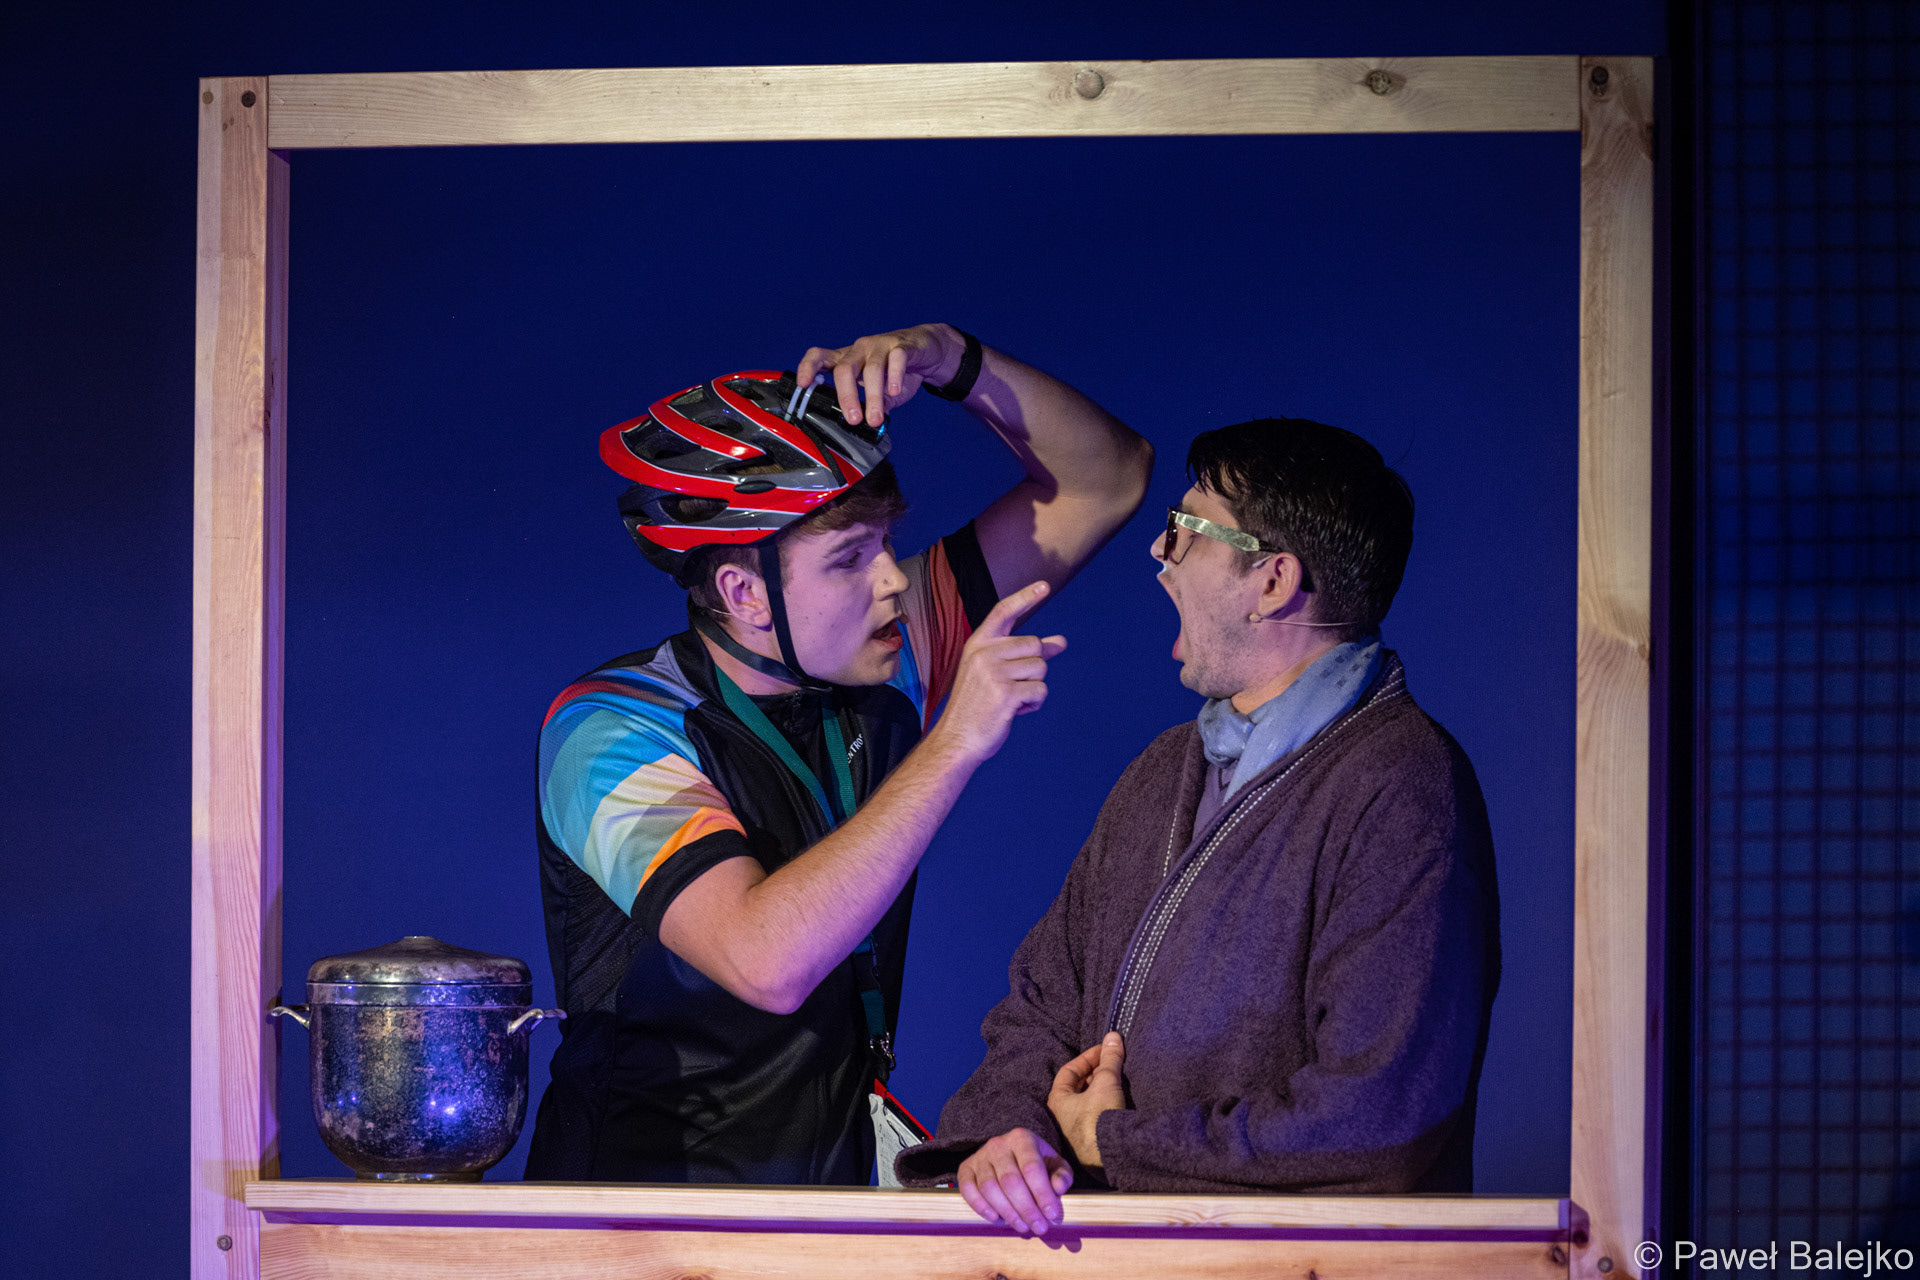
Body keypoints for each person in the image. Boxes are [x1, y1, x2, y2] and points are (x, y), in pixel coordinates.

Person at [525, 323, 1152, 1185]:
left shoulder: (877, 660)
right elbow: (765, 962)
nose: (892, 579)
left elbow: (1108, 477)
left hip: (827, 1202)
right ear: (744, 593)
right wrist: (954, 744)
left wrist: (953, 361)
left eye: (888, 542)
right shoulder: (608, 728)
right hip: (645, 1219)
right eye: (850, 558)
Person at [894, 418, 1502, 1232]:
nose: (1159, 553)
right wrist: (1011, 1135)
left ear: (1273, 581)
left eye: (1185, 531)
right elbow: (1039, 1007)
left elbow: (1377, 1117)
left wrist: (1115, 1144)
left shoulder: (1403, 785)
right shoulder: (1162, 769)